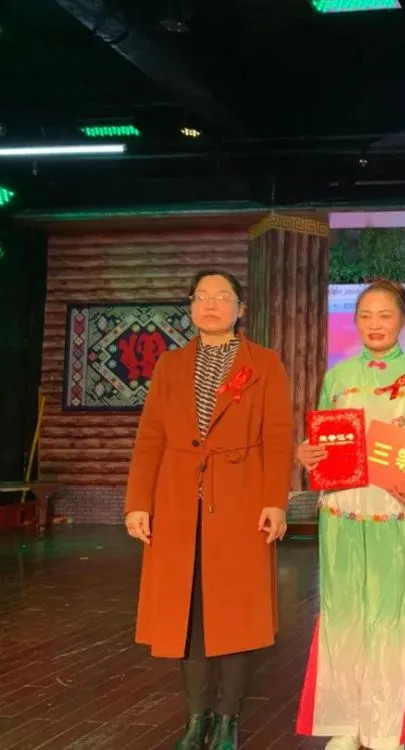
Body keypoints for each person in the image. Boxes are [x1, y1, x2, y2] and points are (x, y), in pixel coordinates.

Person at [123, 269, 294, 750]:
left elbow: (278, 437)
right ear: (191, 307)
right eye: (201, 297)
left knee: (236, 613)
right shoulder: (171, 364)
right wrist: (139, 503)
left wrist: (274, 501)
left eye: (222, 297)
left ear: (240, 308)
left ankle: (228, 718)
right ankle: (197, 717)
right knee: (187, 614)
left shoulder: (264, 363)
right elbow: (151, 437)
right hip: (178, 503)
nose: (211, 304)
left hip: (241, 500)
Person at [294, 279, 405, 750]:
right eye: (365, 315)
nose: (375, 324)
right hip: (342, 509)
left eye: (385, 314)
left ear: (402, 319)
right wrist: (307, 452)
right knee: (342, 610)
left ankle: (385, 725)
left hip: (397, 510)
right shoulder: (338, 377)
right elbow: (323, 438)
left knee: (390, 613)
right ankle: (345, 722)